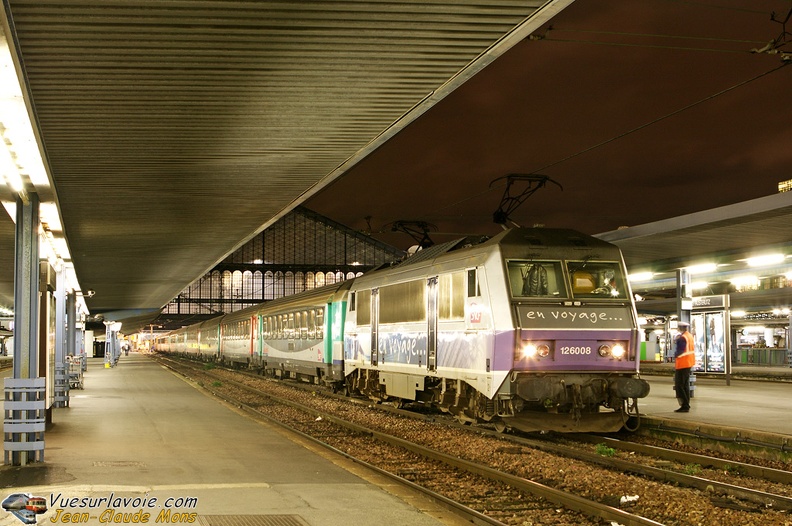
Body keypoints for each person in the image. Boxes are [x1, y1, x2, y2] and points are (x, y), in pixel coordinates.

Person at [673, 321, 696, 413]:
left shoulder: (682, 338)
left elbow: (680, 351)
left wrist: (675, 355)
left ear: (679, 328)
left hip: (682, 364)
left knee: (679, 386)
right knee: (685, 385)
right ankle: (686, 404)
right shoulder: (689, 336)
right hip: (689, 363)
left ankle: (684, 405)